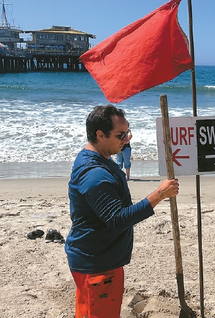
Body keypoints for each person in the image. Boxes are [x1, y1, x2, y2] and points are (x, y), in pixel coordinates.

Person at [65, 105, 180, 318]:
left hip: (99, 258)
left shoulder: (101, 158)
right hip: (97, 265)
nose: (126, 139)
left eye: (127, 132)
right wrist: (159, 195)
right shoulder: (95, 175)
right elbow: (117, 219)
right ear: (100, 135)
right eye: (121, 135)